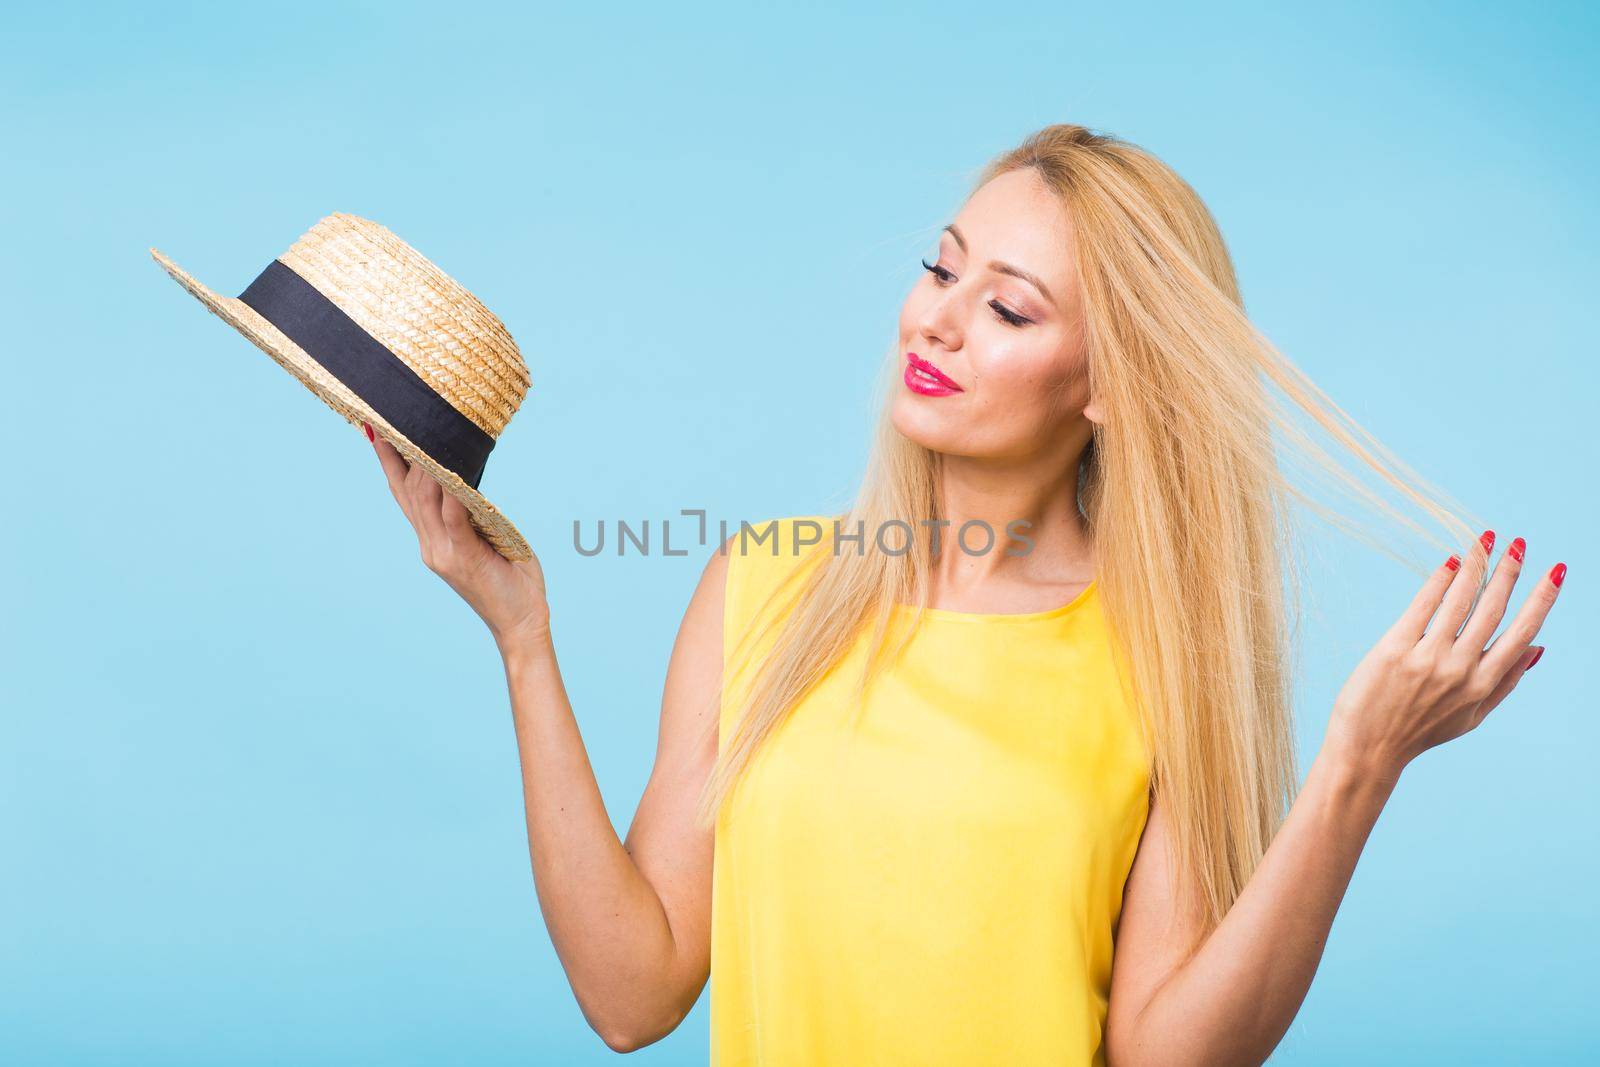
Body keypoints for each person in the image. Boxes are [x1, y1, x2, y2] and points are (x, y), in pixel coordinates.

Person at [360, 123, 1565, 1065]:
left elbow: (1167, 1052)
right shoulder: (764, 585)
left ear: (1106, 383)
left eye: (1006, 306)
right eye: (940, 267)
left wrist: (1355, 769)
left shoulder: (1160, 656)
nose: (934, 317)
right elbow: (631, 994)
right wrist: (523, 639)